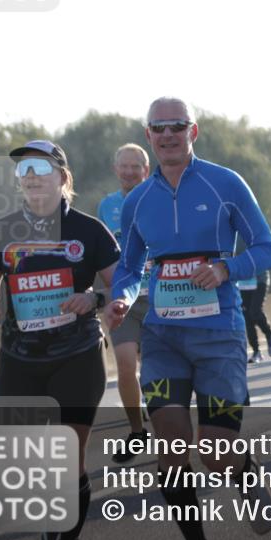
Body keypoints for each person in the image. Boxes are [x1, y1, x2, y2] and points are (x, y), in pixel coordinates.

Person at [104, 97, 271, 540]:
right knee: (173, 446)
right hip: (162, 337)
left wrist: (227, 268)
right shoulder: (137, 201)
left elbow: (268, 248)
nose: (167, 135)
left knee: (216, 450)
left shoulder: (225, 184)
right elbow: (130, 265)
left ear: (192, 131)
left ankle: (243, 471)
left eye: (176, 126)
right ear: (148, 136)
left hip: (219, 334)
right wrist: (121, 296)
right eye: (158, 128)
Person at [0, 141, 118, 540]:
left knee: (70, 453)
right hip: (19, 356)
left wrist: (93, 297)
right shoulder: (4, 229)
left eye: (40, 167)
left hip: (76, 354)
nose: (30, 175)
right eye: (22, 170)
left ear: (63, 177)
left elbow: (122, 287)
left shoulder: (89, 231)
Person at [98, 144, 151, 463]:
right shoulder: (107, 206)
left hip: (160, 298)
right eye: (124, 166)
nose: (130, 171)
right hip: (124, 300)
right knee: (126, 364)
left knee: (157, 372)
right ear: (116, 169)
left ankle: (170, 431)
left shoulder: (159, 197)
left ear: (146, 169)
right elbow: (103, 252)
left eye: (136, 166)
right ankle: (137, 431)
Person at [237, 268, 271, 364]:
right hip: (242, 285)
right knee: (247, 319)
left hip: (259, 281)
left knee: (255, 312)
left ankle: (269, 336)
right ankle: (256, 352)